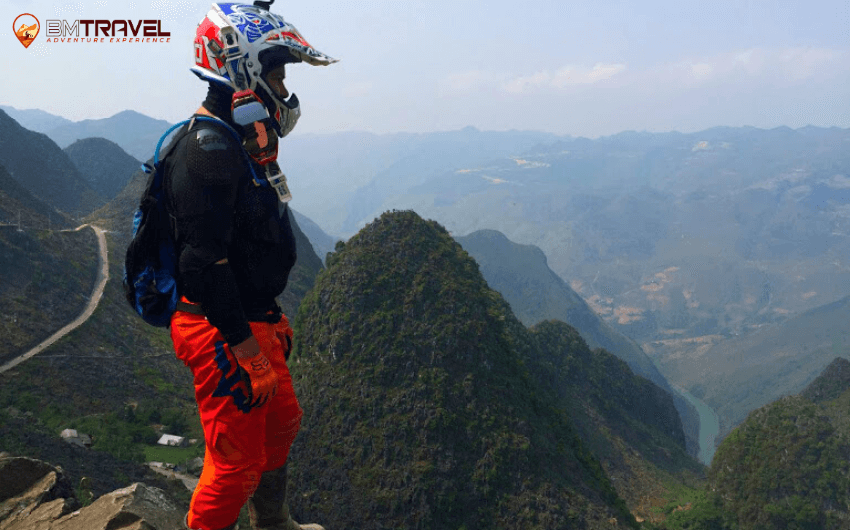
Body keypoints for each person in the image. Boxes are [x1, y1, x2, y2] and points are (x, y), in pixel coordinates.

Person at [163, 3, 337, 529]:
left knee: (282, 423)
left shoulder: (238, 139)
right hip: (218, 326)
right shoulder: (207, 151)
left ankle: (273, 523)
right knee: (235, 463)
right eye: (279, 73)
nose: (285, 90)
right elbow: (200, 264)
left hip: (252, 318)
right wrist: (245, 349)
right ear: (248, 67)